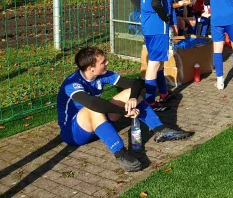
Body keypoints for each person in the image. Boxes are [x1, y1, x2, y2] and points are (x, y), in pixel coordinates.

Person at [56, 47, 193, 172]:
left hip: (97, 123)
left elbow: (135, 83)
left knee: (130, 94)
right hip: (73, 132)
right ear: (91, 68)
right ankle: (121, 153)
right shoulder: (72, 83)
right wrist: (124, 111)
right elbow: (93, 103)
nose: (107, 63)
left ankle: (161, 130)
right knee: (93, 109)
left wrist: (133, 98)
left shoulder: (102, 74)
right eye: (103, 62)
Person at [127, 0, 189, 111]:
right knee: (154, 64)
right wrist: (166, 19)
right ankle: (149, 102)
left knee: (159, 62)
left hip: (150, 25)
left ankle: (163, 93)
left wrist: (143, 11)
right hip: (157, 27)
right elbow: (156, 3)